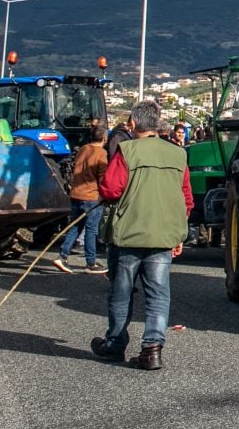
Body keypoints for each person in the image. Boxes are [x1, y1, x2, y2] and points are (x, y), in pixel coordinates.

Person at [93, 102, 192, 370]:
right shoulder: (177, 154)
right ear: (157, 124)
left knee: (121, 292)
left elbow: (112, 189)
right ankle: (152, 349)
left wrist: (102, 194)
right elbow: (186, 198)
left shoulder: (127, 150)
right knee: (158, 294)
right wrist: (178, 232)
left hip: (129, 235)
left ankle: (115, 343)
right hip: (163, 236)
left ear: (133, 125)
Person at [53, 134, 108, 273]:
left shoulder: (83, 149)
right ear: (104, 138)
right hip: (91, 195)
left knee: (75, 226)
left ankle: (62, 256)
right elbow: (102, 176)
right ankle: (90, 263)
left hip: (76, 193)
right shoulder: (101, 153)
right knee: (91, 229)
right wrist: (104, 194)